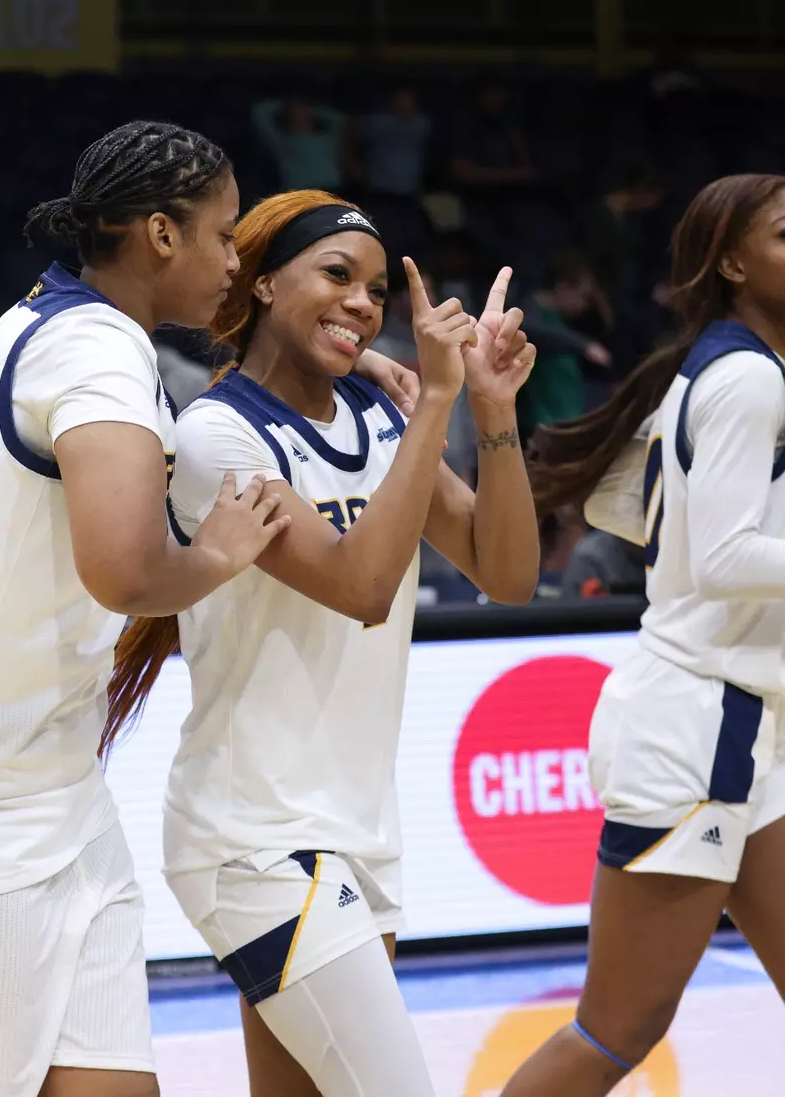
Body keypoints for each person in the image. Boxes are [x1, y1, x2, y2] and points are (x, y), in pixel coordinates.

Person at [0, 121, 424, 1097]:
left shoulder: (73, 330)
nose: (231, 258)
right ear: (161, 235)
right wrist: (214, 551)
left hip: (55, 798)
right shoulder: (90, 351)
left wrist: (347, 368)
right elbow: (124, 572)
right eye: (222, 235)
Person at [508, 174, 785, 1097]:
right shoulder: (745, 379)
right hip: (692, 726)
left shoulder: (721, 370)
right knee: (617, 1029)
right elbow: (719, 561)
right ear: (729, 263)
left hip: (759, 724)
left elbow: (621, 504)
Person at [106, 191, 541, 1097]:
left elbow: (505, 573)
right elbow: (361, 590)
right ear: (262, 283)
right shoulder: (216, 434)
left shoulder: (380, 417)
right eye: (336, 275)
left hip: (356, 828)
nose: (361, 303)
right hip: (256, 838)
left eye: (376, 289)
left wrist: (490, 411)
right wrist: (435, 407)